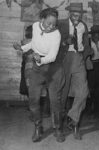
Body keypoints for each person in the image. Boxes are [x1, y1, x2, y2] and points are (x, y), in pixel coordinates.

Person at [13, 8, 65, 143]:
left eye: (54, 24)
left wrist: (40, 60)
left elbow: (52, 57)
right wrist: (22, 48)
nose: (51, 27)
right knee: (33, 99)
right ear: (42, 20)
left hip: (53, 68)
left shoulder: (56, 34)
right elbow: (34, 43)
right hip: (38, 68)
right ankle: (38, 127)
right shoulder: (35, 26)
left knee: (55, 101)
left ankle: (58, 128)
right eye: (48, 23)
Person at [58, 3, 92, 140]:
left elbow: (86, 43)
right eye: (74, 12)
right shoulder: (60, 24)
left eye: (79, 13)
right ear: (69, 12)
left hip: (78, 58)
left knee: (83, 91)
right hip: (64, 59)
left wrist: (85, 56)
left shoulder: (83, 25)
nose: (77, 15)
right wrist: (64, 42)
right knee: (63, 92)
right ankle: (59, 127)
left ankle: (73, 118)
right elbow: (53, 42)